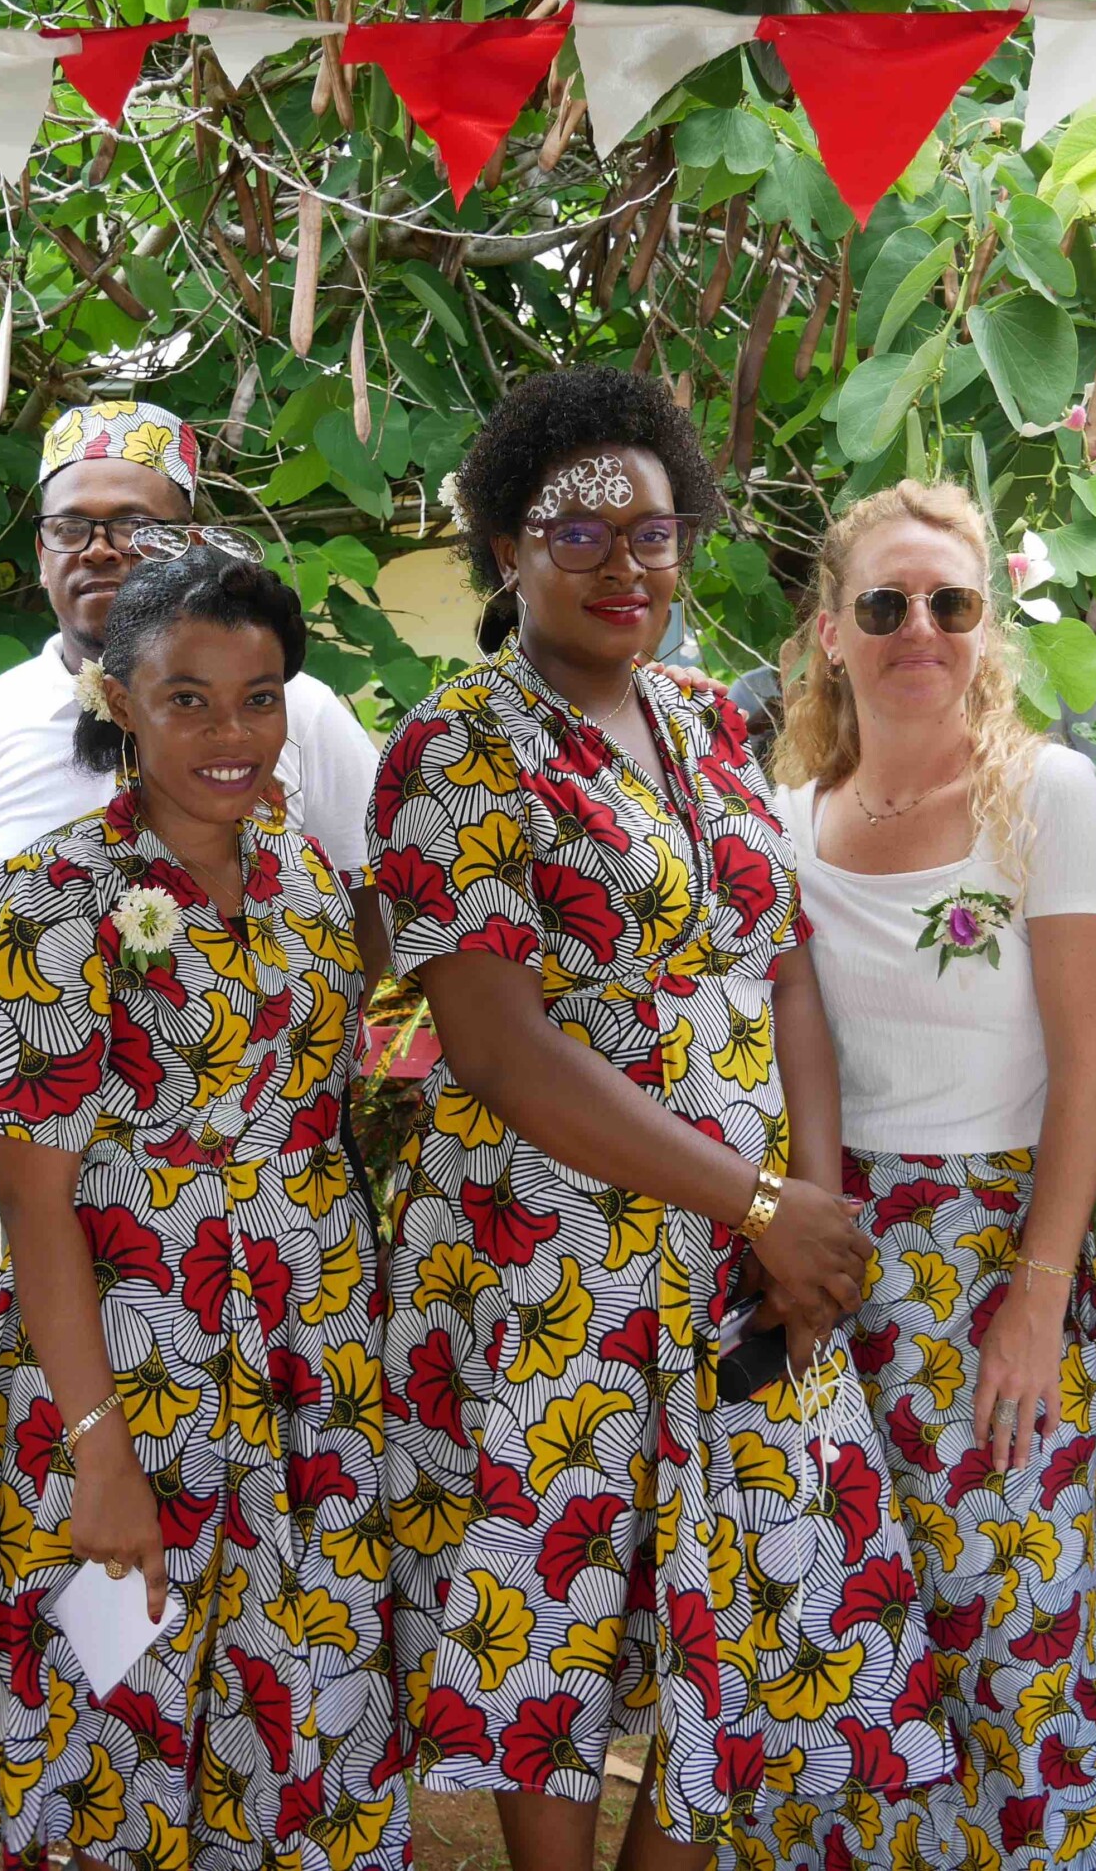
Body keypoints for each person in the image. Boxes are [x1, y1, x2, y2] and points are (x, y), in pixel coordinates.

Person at [374, 368, 952, 1871]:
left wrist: (808, 1218)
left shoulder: (702, 718)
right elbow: (497, 1048)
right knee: (549, 1620)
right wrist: (763, 1204)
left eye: (654, 529)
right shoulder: (453, 754)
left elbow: (786, 971)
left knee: (750, 1598)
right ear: (504, 545)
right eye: (579, 530)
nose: (625, 563)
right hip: (551, 1259)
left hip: (743, 1259)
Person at [0, 546, 402, 1871]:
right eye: (189, 698)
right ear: (120, 700)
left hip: (303, 1374)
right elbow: (32, 1203)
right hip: (124, 1367)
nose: (232, 733)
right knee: (110, 1736)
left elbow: (333, 1101)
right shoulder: (52, 895)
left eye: (261, 697)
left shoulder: (311, 881)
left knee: (298, 1719)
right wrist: (97, 1449)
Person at [772, 481, 1096, 1870]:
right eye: (886, 604)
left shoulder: (1046, 795)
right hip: (822, 1256)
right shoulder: (785, 809)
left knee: (1009, 1661)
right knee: (836, 1659)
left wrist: (1037, 1295)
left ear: (988, 627)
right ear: (830, 634)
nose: (919, 627)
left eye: (951, 603)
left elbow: (1087, 1070)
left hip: (993, 1261)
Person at [0, 398, 378, 896]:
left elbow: (370, 891)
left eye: (134, 526)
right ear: (41, 555)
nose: (99, 550)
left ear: (192, 544)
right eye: (70, 529)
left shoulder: (296, 708)